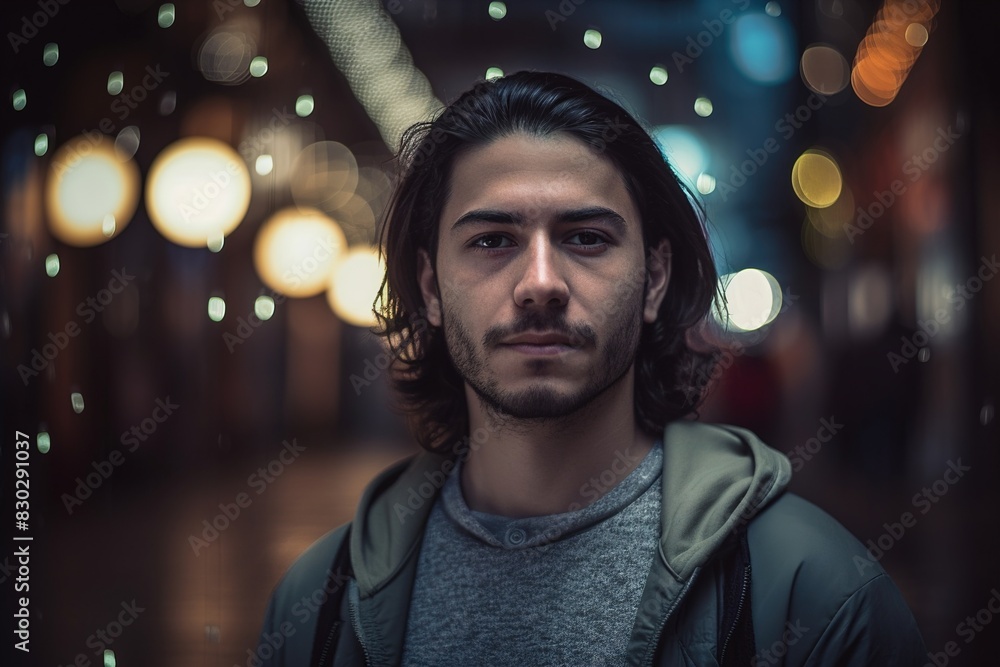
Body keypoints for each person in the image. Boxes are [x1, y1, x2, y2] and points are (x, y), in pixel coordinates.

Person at [255, 71, 926, 666]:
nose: (540, 282)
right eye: (492, 240)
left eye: (586, 238)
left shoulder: (815, 594)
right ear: (429, 288)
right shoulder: (317, 606)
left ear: (655, 279)